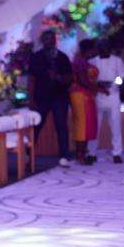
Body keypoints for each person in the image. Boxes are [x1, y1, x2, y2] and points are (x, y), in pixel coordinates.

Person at [28, 29, 73, 168]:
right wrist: (31, 99)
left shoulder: (62, 57)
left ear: (55, 40)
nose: (50, 41)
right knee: (36, 127)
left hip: (59, 97)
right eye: (47, 38)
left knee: (61, 126)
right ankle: (29, 156)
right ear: (42, 41)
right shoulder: (36, 57)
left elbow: (70, 78)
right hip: (41, 97)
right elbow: (31, 79)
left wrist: (58, 77)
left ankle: (64, 156)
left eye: (52, 38)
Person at [92, 40, 124, 163]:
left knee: (116, 125)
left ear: (110, 48)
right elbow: (89, 78)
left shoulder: (117, 60)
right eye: (101, 46)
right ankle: (91, 152)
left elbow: (122, 77)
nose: (104, 48)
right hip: (98, 96)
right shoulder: (93, 61)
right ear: (98, 48)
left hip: (113, 95)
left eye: (106, 46)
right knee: (95, 126)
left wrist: (113, 83)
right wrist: (98, 84)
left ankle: (117, 153)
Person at [69, 39, 101, 166]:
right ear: (89, 50)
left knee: (87, 124)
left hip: (85, 94)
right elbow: (82, 81)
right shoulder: (80, 61)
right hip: (80, 94)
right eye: (94, 49)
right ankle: (80, 155)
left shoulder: (83, 60)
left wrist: (96, 88)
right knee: (82, 125)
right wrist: (98, 88)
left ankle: (82, 153)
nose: (95, 51)